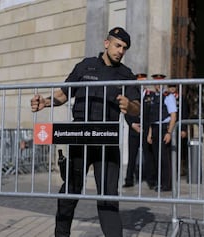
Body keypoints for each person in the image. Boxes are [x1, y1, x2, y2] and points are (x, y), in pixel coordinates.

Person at [30, 27, 140, 237]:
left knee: (108, 198)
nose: (120, 51)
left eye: (124, 48)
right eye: (117, 45)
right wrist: (45, 101)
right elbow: (63, 94)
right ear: (106, 43)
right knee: (70, 190)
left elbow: (136, 107)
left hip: (107, 142)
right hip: (80, 138)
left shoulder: (125, 74)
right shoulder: (85, 66)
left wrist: (130, 106)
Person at [147, 74, 177, 192]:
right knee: (156, 157)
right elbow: (152, 117)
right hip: (154, 128)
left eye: (159, 83)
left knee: (164, 158)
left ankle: (166, 184)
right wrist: (150, 133)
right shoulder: (154, 97)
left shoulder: (168, 96)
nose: (157, 86)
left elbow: (173, 116)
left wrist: (169, 132)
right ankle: (159, 182)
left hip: (164, 128)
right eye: (155, 83)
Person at [168, 84, 190, 177]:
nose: (172, 88)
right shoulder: (166, 97)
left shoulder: (181, 98)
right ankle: (170, 169)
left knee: (179, 148)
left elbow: (184, 114)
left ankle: (180, 168)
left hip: (178, 126)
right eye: (170, 87)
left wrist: (184, 129)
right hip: (168, 127)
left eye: (174, 87)